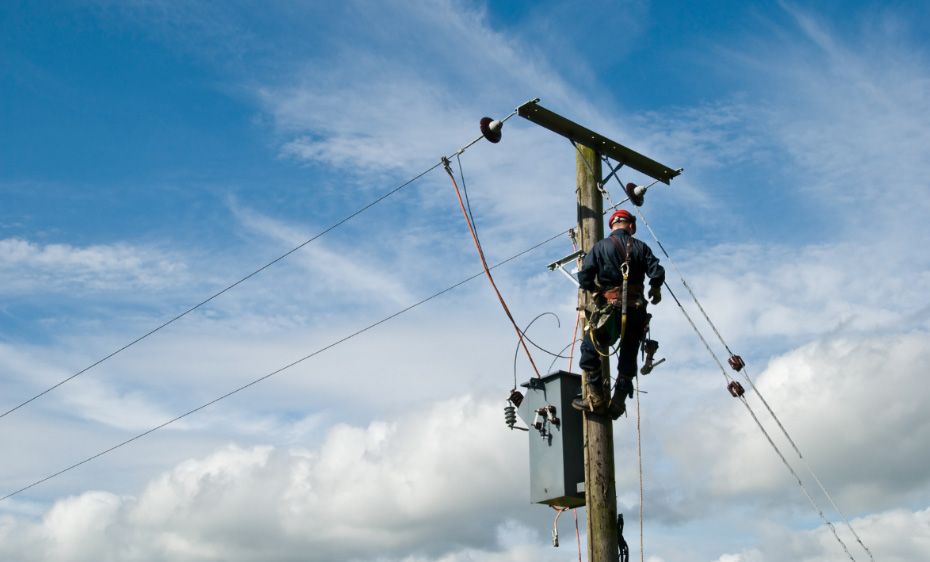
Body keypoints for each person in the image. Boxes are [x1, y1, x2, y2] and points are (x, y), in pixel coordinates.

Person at [572, 209, 665, 419]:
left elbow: (585, 277)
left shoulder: (600, 247)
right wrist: (655, 289)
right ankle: (618, 401)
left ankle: (595, 397)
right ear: (631, 226)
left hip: (611, 310)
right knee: (628, 355)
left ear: (613, 226)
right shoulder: (641, 248)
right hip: (636, 311)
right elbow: (657, 272)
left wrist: (596, 292)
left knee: (590, 348)